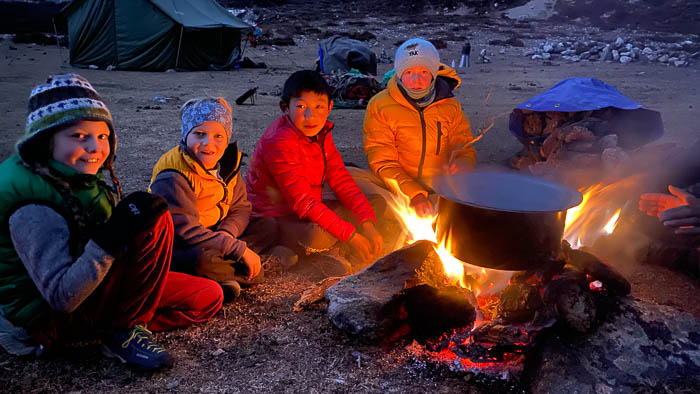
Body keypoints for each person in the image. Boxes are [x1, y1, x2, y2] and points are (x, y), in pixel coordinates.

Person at [0, 74, 223, 371]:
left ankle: (120, 326)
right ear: (45, 140)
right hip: (46, 319)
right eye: (79, 136)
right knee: (154, 220)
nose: (95, 147)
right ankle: (122, 330)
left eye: (102, 136)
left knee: (209, 296)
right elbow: (61, 297)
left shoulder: (74, 176)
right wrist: (112, 236)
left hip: (99, 286)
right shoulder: (33, 206)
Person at [246, 70, 383, 276]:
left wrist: (367, 224)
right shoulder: (280, 142)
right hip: (274, 217)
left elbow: (341, 179)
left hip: (308, 209)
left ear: (329, 107)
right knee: (317, 236)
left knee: (373, 207)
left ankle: (330, 251)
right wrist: (352, 235)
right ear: (286, 108)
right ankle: (291, 254)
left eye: (319, 106)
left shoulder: (321, 133)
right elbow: (303, 203)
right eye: (301, 107)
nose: (310, 116)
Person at [150, 97, 271, 299]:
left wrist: (226, 234)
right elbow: (184, 231)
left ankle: (232, 272)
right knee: (201, 261)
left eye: (218, 136)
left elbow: (240, 208)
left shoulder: (227, 164)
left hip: (216, 233)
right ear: (185, 135)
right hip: (179, 244)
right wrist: (236, 249)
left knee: (269, 226)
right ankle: (256, 268)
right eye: (199, 134)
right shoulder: (173, 174)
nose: (208, 144)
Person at [360, 38, 476, 217]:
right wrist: (414, 194)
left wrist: (463, 164)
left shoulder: (449, 105)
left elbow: (463, 147)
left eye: (424, 71)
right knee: (353, 178)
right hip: (398, 189)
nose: (416, 80)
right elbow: (382, 161)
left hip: (441, 188)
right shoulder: (380, 106)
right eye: (409, 72)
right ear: (399, 74)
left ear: (434, 73)